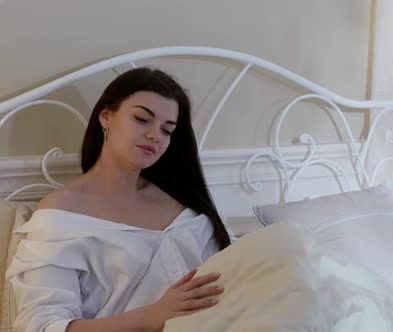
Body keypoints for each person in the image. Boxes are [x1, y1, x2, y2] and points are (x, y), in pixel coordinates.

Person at [6, 67, 234, 332]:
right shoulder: (61, 214)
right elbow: (44, 327)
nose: (154, 136)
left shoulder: (185, 206)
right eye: (141, 118)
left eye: (167, 130)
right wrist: (152, 315)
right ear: (106, 117)